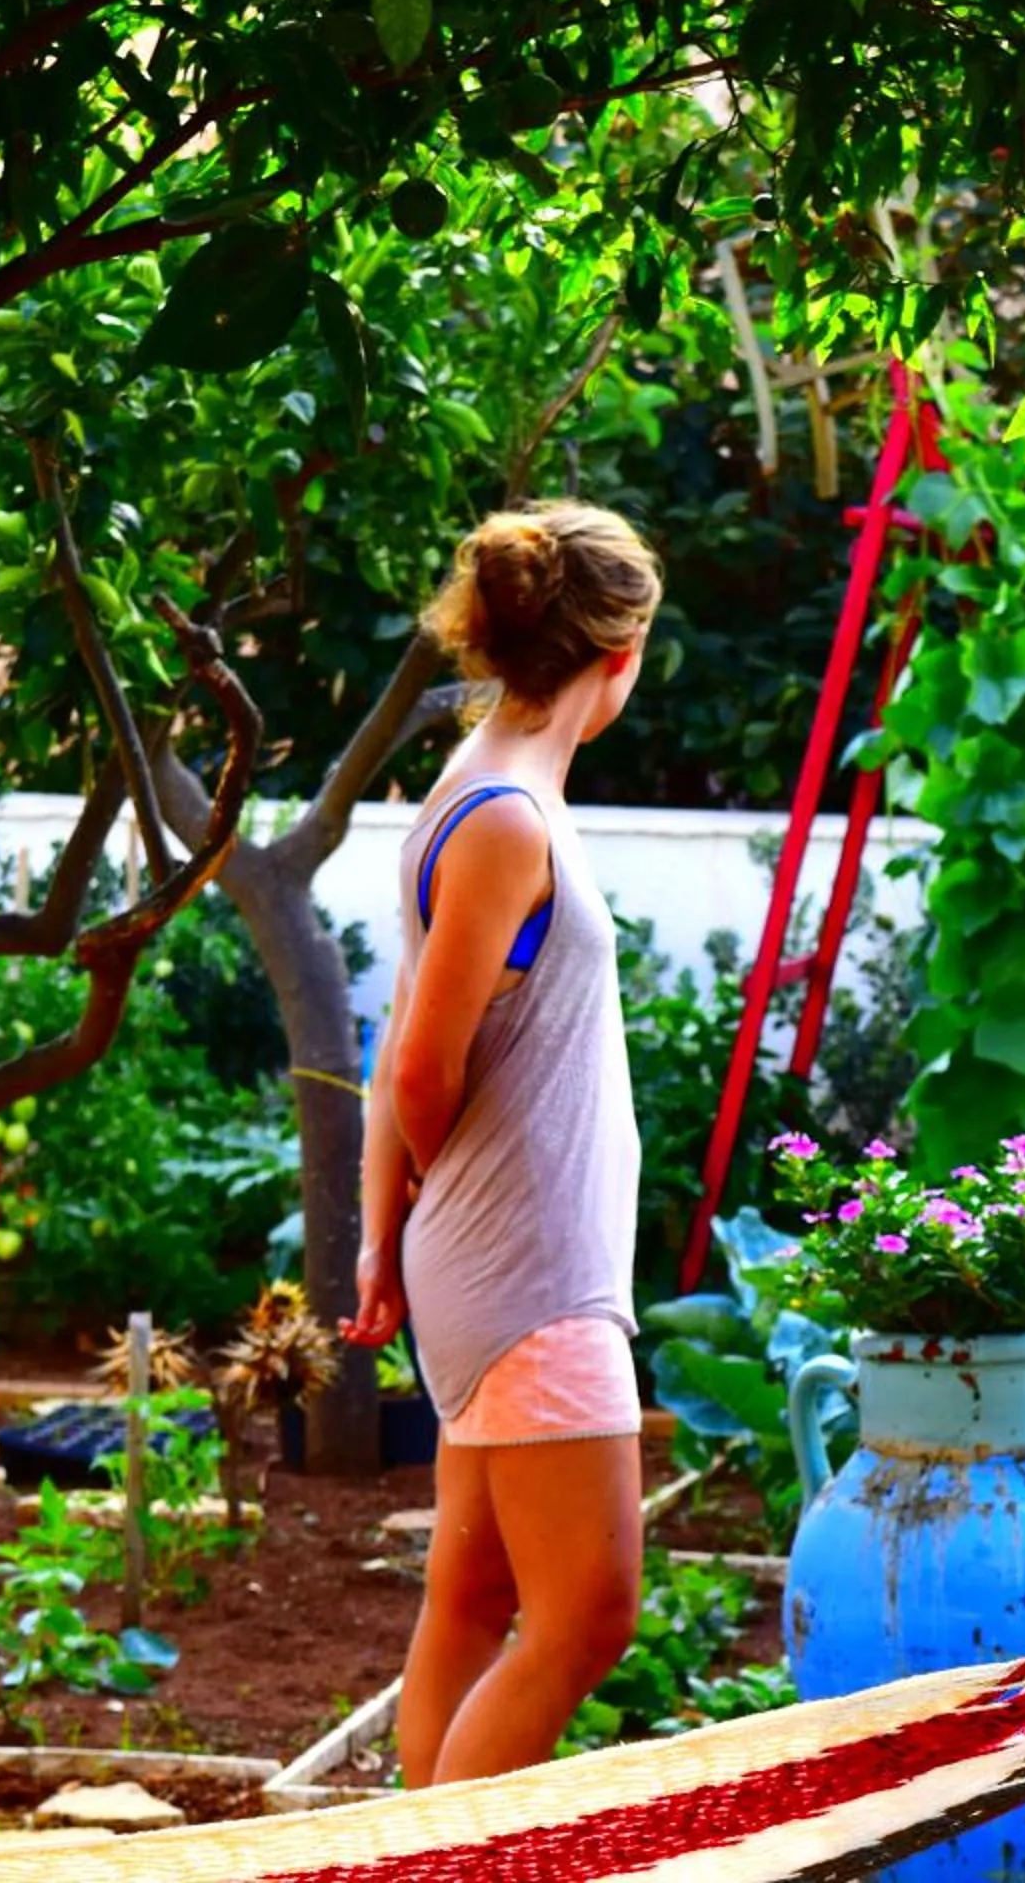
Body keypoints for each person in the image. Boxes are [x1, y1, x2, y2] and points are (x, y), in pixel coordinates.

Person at [342, 500, 662, 1788]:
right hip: (532, 1278)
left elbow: (400, 1043)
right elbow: (417, 1066)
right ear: (617, 658)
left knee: (471, 1606)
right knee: (587, 1616)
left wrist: (387, 1228)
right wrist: (417, 1190)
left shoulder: (482, 796)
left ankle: (406, 1858)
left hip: (496, 1264)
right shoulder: (503, 823)